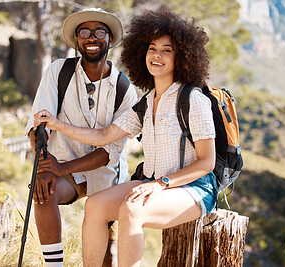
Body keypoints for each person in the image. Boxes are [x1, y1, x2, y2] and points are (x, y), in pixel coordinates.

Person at [34, 8, 218, 267]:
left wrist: (161, 184)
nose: (157, 55)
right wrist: (57, 125)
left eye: (167, 50)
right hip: (152, 184)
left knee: (132, 210)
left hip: (193, 189)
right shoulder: (145, 102)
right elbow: (103, 136)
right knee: (95, 206)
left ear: (183, 56)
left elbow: (206, 163)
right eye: (153, 48)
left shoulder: (193, 99)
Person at [24, 8, 137, 267]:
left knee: (107, 255)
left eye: (100, 32)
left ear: (110, 39)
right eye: (84, 32)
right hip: (64, 165)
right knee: (43, 191)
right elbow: (38, 125)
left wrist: (60, 167)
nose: (92, 38)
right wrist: (43, 166)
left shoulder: (124, 89)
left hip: (107, 173)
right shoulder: (58, 71)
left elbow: (108, 152)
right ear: (77, 40)